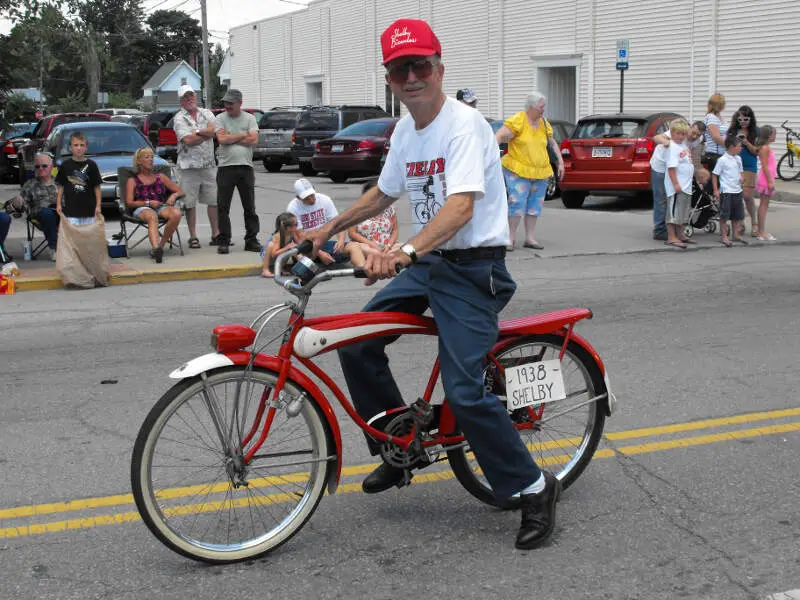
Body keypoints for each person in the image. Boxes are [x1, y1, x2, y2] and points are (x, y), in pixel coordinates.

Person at [300, 18, 559, 551]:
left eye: (421, 65)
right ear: (389, 78)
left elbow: (461, 206)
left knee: (465, 394)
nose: (412, 76)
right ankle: (402, 447)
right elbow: (383, 194)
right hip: (428, 263)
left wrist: (404, 252)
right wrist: (330, 227)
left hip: (471, 268)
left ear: (440, 69)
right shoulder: (404, 131)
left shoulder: (464, 126)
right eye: (400, 68)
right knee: (357, 337)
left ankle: (533, 487)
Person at [495, 91, 565, 250]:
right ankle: (510, 238)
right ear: (531, 107)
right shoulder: (518, 121)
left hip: (540, 171)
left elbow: (552, 143)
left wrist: (560, 162)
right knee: (517, 202)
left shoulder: (544, 123)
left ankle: (530, 238)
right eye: (541, 107)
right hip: (518, 169)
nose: (543, 110)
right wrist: (490, 155)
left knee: (535, 205)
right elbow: (499, 136)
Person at [55, 131, 109, 287]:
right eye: (75, 145)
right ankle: (75, 275)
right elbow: (61, 187)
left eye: (81, 145)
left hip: (89, 209)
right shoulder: (66, 165)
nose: (78, 148)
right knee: (72, 244)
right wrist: (59, 204)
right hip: (71, 209)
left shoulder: (91, 165)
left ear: (86, 147)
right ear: (70, 147)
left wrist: (98, 205)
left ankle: (91, 272)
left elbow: (96, 187)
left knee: (88, 243)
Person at [172, 84, 221, 249]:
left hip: (208, 164)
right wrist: (205, 133)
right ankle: (193, 236)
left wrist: (198, 133)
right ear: (181, 100)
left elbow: (215, 131)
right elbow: (187, 141)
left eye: (191, 95)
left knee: (213, 200)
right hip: (188, 167)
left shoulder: (207, 113)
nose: (189, 99)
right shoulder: (179, 118)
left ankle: (216, 234)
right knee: (189, 203)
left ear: (195, 96)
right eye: (186, 97)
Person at [214, 89, 261, 255]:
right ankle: (224, 240)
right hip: (225, 168)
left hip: (246, 167)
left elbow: (254, 140)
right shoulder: (219, 118)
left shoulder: (250, 118)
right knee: (223, 206)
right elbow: (221, 139)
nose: (227, 106)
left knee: (249, 206)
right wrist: (242, 135)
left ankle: (251, 240)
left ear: (240, 103)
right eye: (226, 103)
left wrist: (231, 136)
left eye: (231, 103)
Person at [287, 178, 365, 267]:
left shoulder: (324, 200)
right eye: (307, 198)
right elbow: (299, 238)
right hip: (306, 246)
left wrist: (341, 241)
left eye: (312, 195)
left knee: (355, 246)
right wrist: (319, 253)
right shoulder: (293, 208)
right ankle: (313, 265)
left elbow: (337, 223)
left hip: (323, 243)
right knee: (304, 262)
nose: (312, 199)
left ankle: (363, 270)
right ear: (298, 197)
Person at [125, 147, 184, 263]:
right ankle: (155, 247)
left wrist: (174, 196)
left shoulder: (160, 177)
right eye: (147, 157)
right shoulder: (132, 181)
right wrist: (148, 203)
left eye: (152, 157)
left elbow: (180, 191)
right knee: (152, 215)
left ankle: (159, 248)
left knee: (177, 213)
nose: (150, 160)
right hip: (141, 208)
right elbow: (129, 202)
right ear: (139, 161)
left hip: (160, 206)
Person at [651, 121, 707, 240]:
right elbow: (656, 137)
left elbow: (690, 155)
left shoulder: (697, 139)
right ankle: (660, 230)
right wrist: (666, 142)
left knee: (677, 201)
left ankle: (676, 229)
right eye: (693, 133)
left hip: (677, 169)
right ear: (690, 128)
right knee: (662, 199)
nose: (694, 136)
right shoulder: (676, 135)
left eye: (698, 135)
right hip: (660, 167)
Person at [9, 152, 59, 260]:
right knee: (47, 213)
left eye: (44, 166)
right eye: (37, 166)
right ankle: (54, 248)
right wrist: (19, 204)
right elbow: (21, 208)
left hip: (61, 215)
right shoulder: (30, 185)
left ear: (51, 167)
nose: (40, 168)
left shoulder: (60, 183)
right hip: (40, 216)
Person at [727, 105, 760, 236]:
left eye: (746, 119)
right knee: (736, 196)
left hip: (749, 166)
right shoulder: (733, 131)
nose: (743, 123)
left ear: (750, 119)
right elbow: (727, 147)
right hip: (734, 165)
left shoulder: (756, 132)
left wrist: (746, 142)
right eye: (740, 120)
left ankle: (754, 223)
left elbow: (756, 151)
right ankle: (739, 223)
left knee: (747, 196)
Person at [663, 119, 695, 249]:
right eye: (678, 134)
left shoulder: (683, 146)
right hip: (677, 186)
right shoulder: (672, 147)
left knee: (682, 211)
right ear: (672, 133)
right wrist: (676, 183)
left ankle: (681, 234)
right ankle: (671, 236)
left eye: (683, 134)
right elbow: (671, 168)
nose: (681, 137)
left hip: (686, 185)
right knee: (673, 211)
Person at [712, 136, 747, 247]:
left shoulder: (738, 159)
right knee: (725, 214)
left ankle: (735, 234)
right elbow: (715, 175)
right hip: (726, 190)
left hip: (737, 190)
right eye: (739, 146)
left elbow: (740, 172)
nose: (740, 148)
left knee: (737, 214)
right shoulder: (722, 160)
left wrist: (742, 177)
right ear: (732, 147)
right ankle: (724, 236)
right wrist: (716, 190)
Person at [347, 181, 399, 252]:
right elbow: (352, 233)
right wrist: (371, 245)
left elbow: (395, 230)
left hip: (387, 246)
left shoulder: (389, 208)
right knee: (370, 251)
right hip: (366, 245)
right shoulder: (357, 210)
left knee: (407, 248)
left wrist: (389, 245)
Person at [755, 124, 778, 241]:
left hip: (767, 177)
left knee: (765, 204)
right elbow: (764, 165)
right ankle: (761, 231)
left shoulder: (766, 147)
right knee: (763, 205)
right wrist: (770, 181)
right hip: (765, 178)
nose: (775, 136)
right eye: (774, 134)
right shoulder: (765, 148)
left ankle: (761, 230)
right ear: (769, 136)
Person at [260, 212, 298, 278]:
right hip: (269, 257)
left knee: (294, 249)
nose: (297, 226)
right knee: (270, 245)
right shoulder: (278, 236)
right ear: (289, 228)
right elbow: (274, 253)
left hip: (278, 256)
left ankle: (280, 269)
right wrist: (287, 247)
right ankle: (265, 270)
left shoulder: (292, 233)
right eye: (296, 224)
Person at [702, 94, 728, 175]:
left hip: (722, 154)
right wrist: (730, 145)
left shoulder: (719, 117)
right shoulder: (711, 117)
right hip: (714, 154)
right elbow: (716, 137)